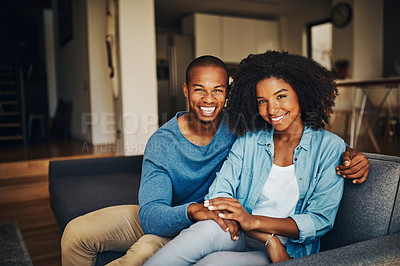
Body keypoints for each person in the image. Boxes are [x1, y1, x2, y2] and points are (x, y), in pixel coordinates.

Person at [61, 55, 370, 266]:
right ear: (185, 90)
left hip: (229, 223)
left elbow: (319, 213)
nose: (209, 99)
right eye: (263, 100)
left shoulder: (241, 127)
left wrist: (355, 154)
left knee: (181, 257)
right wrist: (199, 211)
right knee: (77, 233)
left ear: (228, 94)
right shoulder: (177, 141)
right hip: (189, 215)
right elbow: (154, 215)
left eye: (218, 90)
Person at [145, 51, 354, 265]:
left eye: (281, 96)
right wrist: (264, 234)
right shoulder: (250, 138)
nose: (272, 109)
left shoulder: (330, 148)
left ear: (300, 93)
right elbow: (219, 193)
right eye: (262, 101)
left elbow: (319, 220)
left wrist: (352, 153)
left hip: (285, 249)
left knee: (212, 264)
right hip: (242, 231)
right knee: (201, 233)